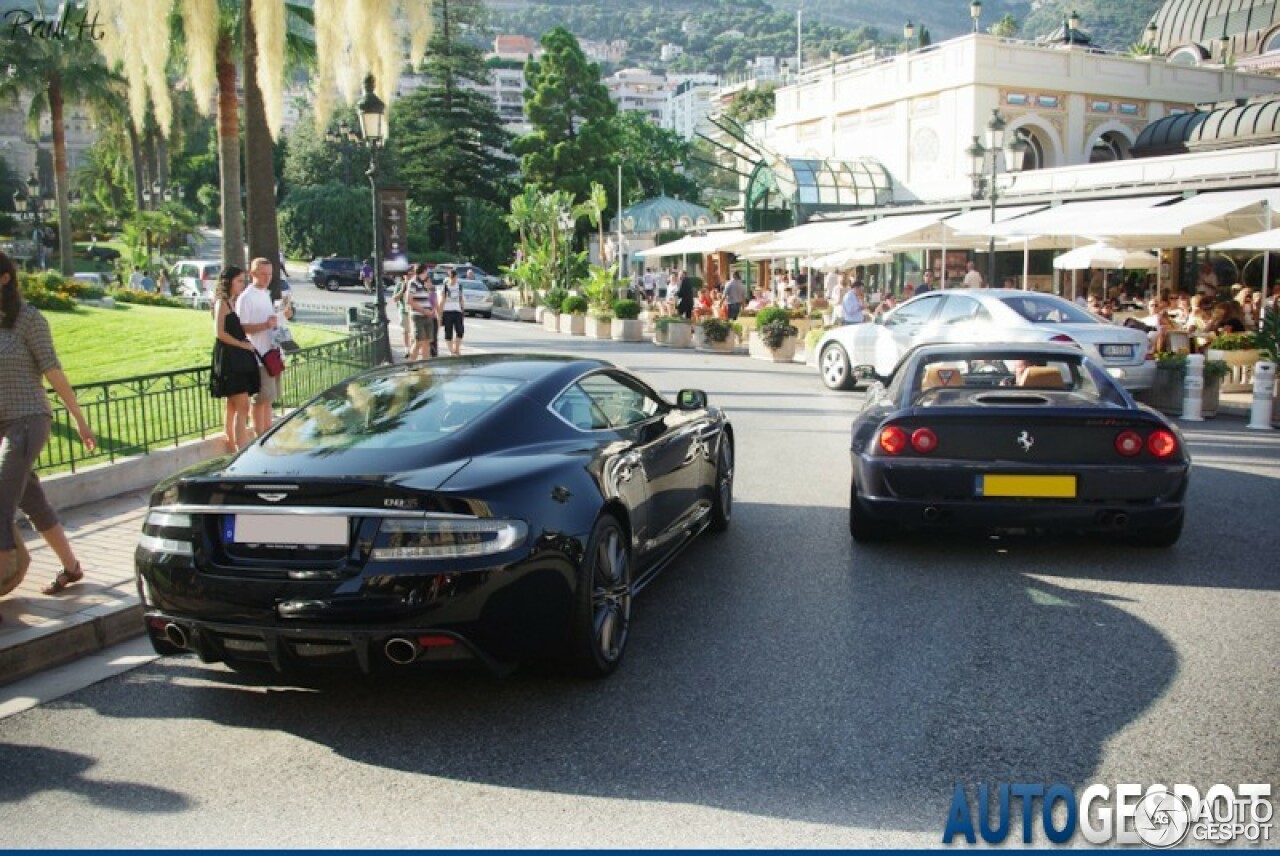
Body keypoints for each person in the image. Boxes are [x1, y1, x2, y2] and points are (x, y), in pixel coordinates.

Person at [0, 251, 97, 598]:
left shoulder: (28, 319)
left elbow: (53, 371)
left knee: (1, 503)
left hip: (27, 421)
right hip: (3, 425)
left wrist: (80, 420)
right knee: (33, 502)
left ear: (5, 278)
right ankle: (71, 569)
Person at [208, 266, 259, 451]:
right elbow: (219, 333)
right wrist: (242, 344)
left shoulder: (231, 301)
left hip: (236, 358)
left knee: (232, 404)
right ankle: (241, 446)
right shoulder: (222, 302)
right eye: (239, 280)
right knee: (243, 405)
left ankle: (231, 440)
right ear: (228, 282)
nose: (242, 284)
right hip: (230, 359)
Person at [236, 257, 281, 437]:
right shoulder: (246, 298)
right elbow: (242, 328)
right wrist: (265, 326)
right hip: (258, 356)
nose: (267, 278)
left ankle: (267, 432)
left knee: (269, 398)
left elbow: (272, 322)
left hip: (272, 353)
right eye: (262, 274)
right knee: (261, 398)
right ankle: (260, 436)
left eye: (269, 274)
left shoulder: (266, 294)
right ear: (252, 274)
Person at [407, 265, 439, 360]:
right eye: (427, 272)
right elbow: (409, 300)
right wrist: (424, 310)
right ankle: (411, 364)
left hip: (428, 315)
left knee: (427, 342)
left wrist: (431, 309)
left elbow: (427, 298)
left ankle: (425, 366)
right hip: (418, 316)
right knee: (418, 342)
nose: (427, 274)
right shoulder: (413, 282)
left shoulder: (424, 283)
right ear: (424, 271)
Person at [440, 268, 466, 356]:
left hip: (457, 311)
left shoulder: (459, 286)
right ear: (449, 277)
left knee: (460, 331)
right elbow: (442, 300)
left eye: (454, 277)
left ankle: (457, 349)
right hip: (447, 311)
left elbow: (461, 299)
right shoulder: (445, 286)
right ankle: (451, 351)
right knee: (448, 332)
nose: (453, 279)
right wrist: (440, 313)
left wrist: (462, 311)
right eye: (452, 277)